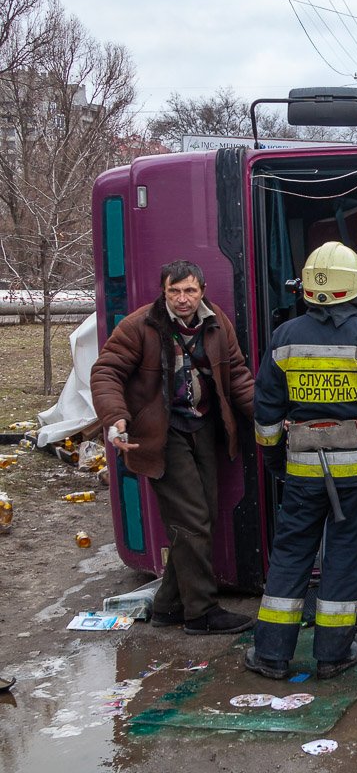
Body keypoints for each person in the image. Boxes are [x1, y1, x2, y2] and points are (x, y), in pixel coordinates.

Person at [243, 242, 357, 680]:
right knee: (343, 558)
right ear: (356, 285)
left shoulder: (284, 338)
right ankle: (333, 655)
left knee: (290, 556)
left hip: (302, 471)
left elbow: (266, 414)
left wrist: (274, 462)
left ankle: (271, 656)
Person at [91, 260, 256, 635]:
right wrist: (115, 418)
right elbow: (106, 372)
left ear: (203, 290)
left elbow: (239, 375)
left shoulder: (216, 323)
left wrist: (267, 415)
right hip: (160, 436)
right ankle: (200, 613)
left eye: (190, 291)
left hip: (201, 427)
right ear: (163, 292)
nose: (182, 299)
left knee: (201, 519)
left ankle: (167, 605)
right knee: (193, 521)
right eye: (174, 292)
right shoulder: (139, 325)